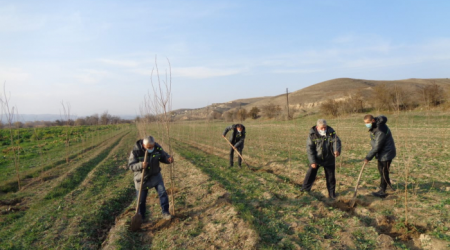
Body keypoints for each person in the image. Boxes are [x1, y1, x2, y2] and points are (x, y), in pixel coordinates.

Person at [128, 135, 174, 221]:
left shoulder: (157, 148)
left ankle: (166, 212)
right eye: (149, 147)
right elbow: (131, 166)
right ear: (143, 145)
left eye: (152, 146)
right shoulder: (136, 151)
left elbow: (163, 156)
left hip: (155, 176)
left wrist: (168, 159)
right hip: (142, 178)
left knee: (163, 193)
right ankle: (141, 218)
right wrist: (141, 165)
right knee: (141, 200)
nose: (151, 148)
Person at [302, 119, 341, 199]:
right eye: (322, 128)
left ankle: (332, 194)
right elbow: (310, 149)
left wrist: (336, 150)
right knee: (310, 174)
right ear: (317, 127)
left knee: (331, 178)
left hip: (329, 159)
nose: (324, 129)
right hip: (317, 159)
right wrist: (312, 162)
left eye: (325, 127)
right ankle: (305, 189)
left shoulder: (331, 132)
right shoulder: (312, 135)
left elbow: (336, 141)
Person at [363, 115, 396, 198]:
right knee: (382, 171)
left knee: (383, 172)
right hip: (382, 152)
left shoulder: (380, 130)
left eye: (368, 123)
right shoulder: (376, 125)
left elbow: (377, 147)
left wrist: (368, 157)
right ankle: (388, 185)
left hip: (386, 153)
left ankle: (382, 191)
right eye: (365, 123)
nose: (366, 125)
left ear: (373, 120)